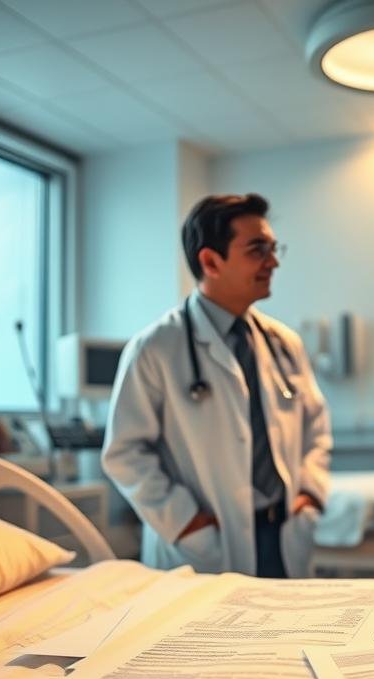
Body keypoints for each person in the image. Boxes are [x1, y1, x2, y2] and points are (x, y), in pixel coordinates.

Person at [102, 193, 331, 578]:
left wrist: (309, 494)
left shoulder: (283, 343)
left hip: (283, 534)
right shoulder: (155, 349)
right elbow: (124, 453)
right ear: (210, 261)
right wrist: (187, 522)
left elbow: (316, 427)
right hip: (207, 544)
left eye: (273, 249)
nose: (272, 262)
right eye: (258, 250)